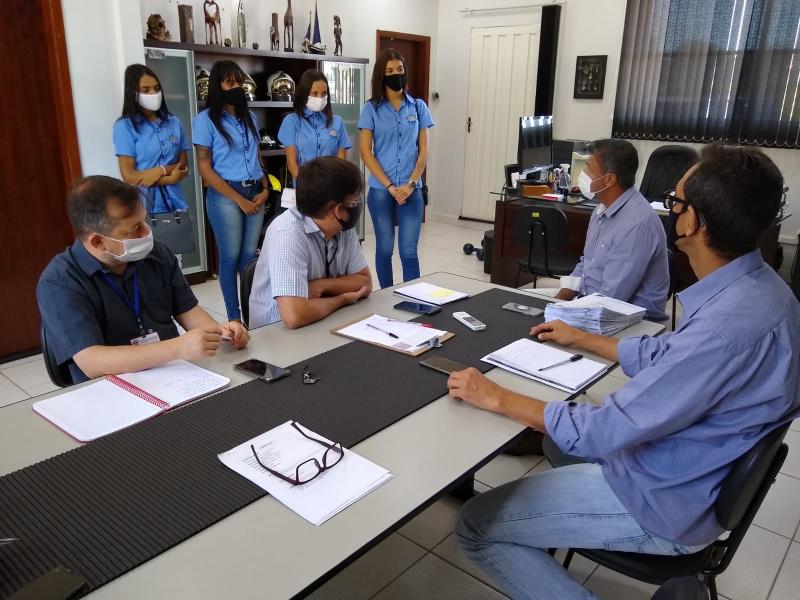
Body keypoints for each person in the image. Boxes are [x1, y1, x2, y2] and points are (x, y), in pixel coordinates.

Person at [447, 144, 800, 600]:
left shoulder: (724, 330)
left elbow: (607, 428)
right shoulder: (764, 294)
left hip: (665, 500)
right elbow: (672, 356)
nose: (671, 212)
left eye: (676, 203)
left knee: (476, 526)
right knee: (561, 437)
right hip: (695, 469)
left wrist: (497, 397)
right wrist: (586, 340)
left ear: (693, 223)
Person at [37, 176, 249, 384]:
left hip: (176, 376)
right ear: (98, 242)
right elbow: (92, 362)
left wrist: (220, 333)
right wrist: (177, 347)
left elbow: (188, 311)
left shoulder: (156, 254)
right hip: (111, 389)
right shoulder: (59, 282)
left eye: (144, 221)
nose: (146, 232)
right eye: (134, 229)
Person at [249, 157, 371, 329]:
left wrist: (321, 286)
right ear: (336, 209)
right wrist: (341, 298)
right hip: (277, 336)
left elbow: (365, 282)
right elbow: (294, 315)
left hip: (324, 321)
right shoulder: (287, 233)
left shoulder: (342, 227)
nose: (357, 205)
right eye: (354, 201)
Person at [557, 139, 671, 321]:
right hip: (593, 304)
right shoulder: (602, 209)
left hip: (629, 321)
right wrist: (557, 302)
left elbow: (612, 298)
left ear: (609, 179)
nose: (583, 174)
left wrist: (564, 316)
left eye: (588, 167)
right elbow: (587, 264)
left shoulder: (636, 225)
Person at [193, 60, 269, 322]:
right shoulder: (205, 121)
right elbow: (205, 168)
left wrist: (266, 187)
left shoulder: (248, 116)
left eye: (239, 82)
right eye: (229, 82)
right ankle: (234, 318)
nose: (236, 87)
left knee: (249, 259)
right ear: (218, 86)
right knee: (230, 258)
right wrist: (239, 200)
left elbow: (258, 155)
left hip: (255, 191)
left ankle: (251, 315)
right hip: (226, 196)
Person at [358, 48, 434, 289]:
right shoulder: (371, 109)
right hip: (382, 190)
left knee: (409, 252)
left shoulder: (418, 107)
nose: (396, 74)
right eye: (390, 71)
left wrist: (411, 183)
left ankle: (414, 302)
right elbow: (365, 153)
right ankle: (387, 299)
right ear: (382, 75)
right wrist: (391, 186)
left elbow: (423, 152)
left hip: (412, 190)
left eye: (399, 70)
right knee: (384, 248)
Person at [113, 64, 190, 215]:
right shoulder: (125, 126)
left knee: (180, 238)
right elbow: (129, 176)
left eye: (156, 88)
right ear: (133, 93)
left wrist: (159, 170)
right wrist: (168, 177)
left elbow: (182, 166)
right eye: (146, 90)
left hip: (175, 202)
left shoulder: (174, 122)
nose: (153, 93)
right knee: (147, 238)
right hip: (142, 206)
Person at [278, 69, 351, 183]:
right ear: (304, 94)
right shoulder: (291, 121)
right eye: (314, 93)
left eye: (323, 94)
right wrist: (306, 188)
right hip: (304, 189)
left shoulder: (338, 122)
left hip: (331, 189)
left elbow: (341, 163)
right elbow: (292, 164)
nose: (320, 98)